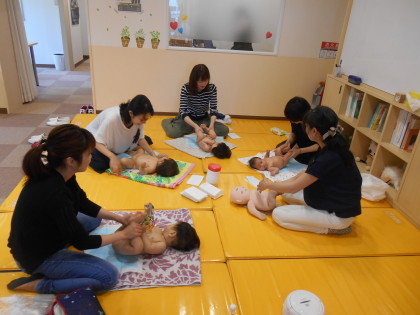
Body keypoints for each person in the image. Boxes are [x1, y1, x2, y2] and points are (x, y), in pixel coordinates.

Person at [7, 124, 143, 294]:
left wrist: (119, 218)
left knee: (94, 218)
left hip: (42, 235)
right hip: (37, 258)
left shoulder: (59, 171)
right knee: (109, 277)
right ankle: (39, 284)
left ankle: (64, 244)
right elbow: (82, 242)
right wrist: (123, 235)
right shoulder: (54, 192)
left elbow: (81, 202)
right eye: (88, 154)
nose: (91, 157)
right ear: (71, 161)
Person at [257, 106, 362, 234]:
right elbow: (304, 174)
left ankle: (330, 229)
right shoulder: (328, 145)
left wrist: (267, 185)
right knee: (285, 194)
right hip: (329, 198)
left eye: (306, 126)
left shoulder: (329, 156)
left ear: (314, 131)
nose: (304, 130)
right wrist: (275, 188)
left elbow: (295, 186)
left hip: (338, 215)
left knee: (278, 215)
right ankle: (316, 216)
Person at [86, 94, 162, 174]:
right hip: (94, 141)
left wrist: (153, 155)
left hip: (118, 141)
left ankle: (123, 151)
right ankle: (119, 152)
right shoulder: (111, 119)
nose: (144, 122)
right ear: (131, 113)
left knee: (147, 140)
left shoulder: (138, 119)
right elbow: (97, 142)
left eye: (145, 120)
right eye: (142, 119)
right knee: (101, 164)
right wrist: (112, 157)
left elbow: (140, 138)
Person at [161, 64, 229, 138]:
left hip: (204, 119)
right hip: (188, 119)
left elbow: (213, 110)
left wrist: (211, 126)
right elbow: (183, 112)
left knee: (224, 131)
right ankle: (169, 121)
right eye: (200, 81)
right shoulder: (186, 88)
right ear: (194, 80)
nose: (203, 84)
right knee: (173, 133)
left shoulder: (212, 88)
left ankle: (195, 129)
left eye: (205, 80)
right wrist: (195, 126)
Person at [112, 204, 200, 255]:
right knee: (142, 221)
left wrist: (141, 232)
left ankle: (131, 225)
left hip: (124, 246)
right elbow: (148, 226)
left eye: (173, 224)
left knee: (139, 246)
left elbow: (148, 248)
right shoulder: (158, 230)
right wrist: (149, 214)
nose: (169, 224)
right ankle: (129, 224)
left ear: (172, 233)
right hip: (121, 235)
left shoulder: (161, 246)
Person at [275, 97, 319, 164]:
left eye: (295, 121)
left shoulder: (315, 122)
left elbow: (320, 145)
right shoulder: (294, 119)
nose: (292, 122)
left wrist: (300, 150)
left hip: (314, 147)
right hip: (301, 142)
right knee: (280, 148)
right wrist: (288, 143)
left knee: (312, 161)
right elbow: (294, 132)